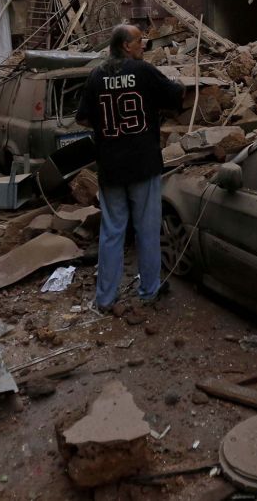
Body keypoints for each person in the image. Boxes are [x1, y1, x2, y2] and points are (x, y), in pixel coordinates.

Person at [76, 24, 184, 312]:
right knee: (147, 229)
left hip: (111, 166)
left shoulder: (96, 75)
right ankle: (149, 291)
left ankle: (105, 298)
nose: (143, 45)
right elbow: (175, 96)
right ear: (126, 45)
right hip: (143, 163)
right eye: (139, 41)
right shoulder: (143, 71)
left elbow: (83, 119)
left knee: (112, 232)